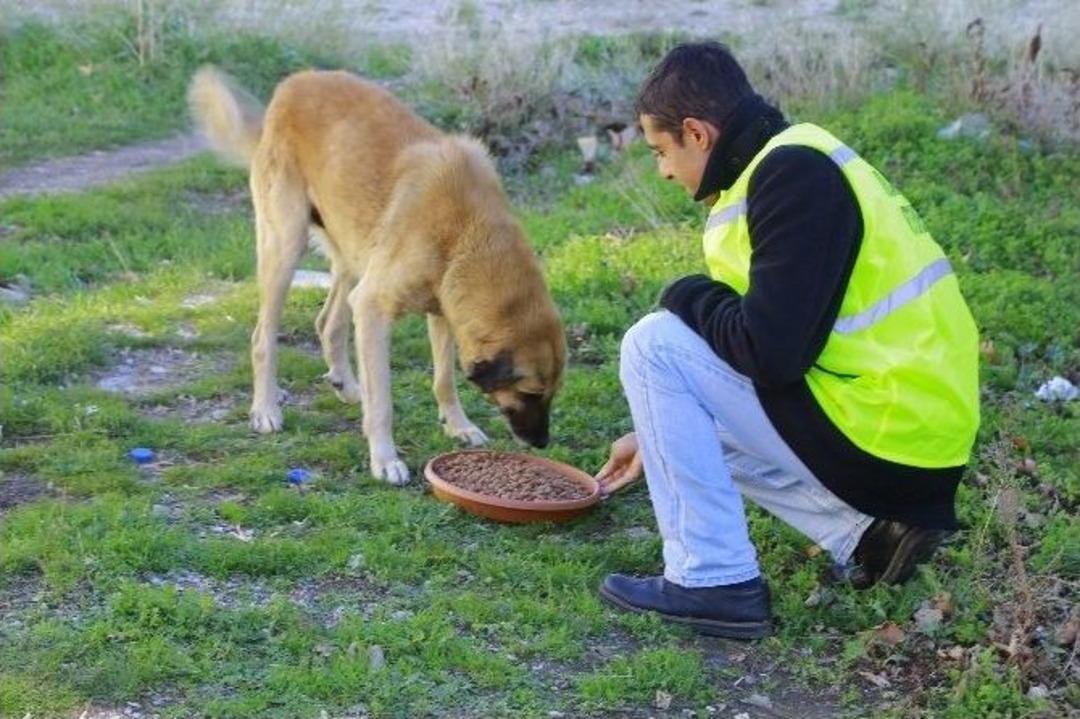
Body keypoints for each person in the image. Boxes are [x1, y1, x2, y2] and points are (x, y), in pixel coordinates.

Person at [594, 41, 980, 639]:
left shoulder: (792, 175)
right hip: (903, 429)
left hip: (893, 438)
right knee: (679, 384)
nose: (663, 170)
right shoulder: (786, 165)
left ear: (696, 133)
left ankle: (713, 579)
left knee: (654, 344)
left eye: (659, 151)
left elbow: (770, 356)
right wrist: (654, 430)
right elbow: (755, 355)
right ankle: (871, 538)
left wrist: (685, 293)